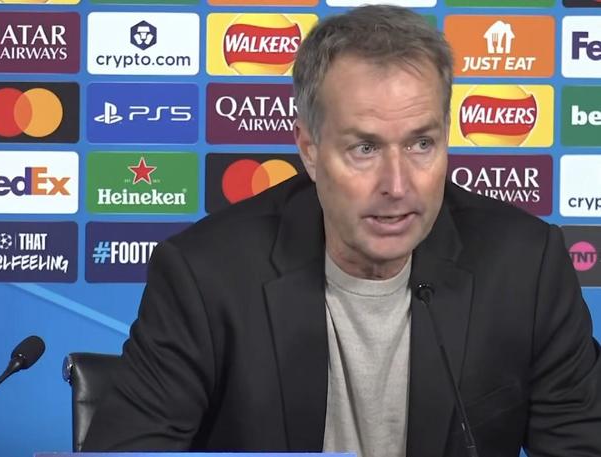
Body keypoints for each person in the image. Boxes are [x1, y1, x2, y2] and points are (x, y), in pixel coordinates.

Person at [83, 5, 601, 456]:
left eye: (421, 144)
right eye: (365, 148)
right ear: (309, 150)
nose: (397, 185)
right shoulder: (207, 276)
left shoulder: (525, 266)